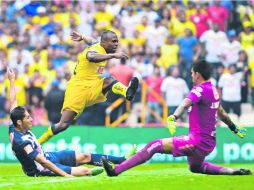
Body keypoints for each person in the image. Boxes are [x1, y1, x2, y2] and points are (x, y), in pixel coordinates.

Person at [102, 60, 251, 176]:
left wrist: (174, 116)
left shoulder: (199, 89)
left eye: (192, 73)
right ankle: (231, 171)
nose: (191, 76)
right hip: (208, 142)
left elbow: (186, 102)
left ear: (197, 74)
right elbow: (222, 112)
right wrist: (233, 127)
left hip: (196, 142)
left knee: (154, 145)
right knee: (195, 167)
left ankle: (115, 171)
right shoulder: (213, 90)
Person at [6, 68, 136, 177]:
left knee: (84, 156)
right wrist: (66, 175)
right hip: (41, 168)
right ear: (19, 122)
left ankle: (121, 160)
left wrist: (11, 80)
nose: (31, 119)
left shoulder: (14, 124)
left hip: (48, 156)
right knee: (85, 171)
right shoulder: (22, 142)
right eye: (28, 117)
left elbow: (13, 103)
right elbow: (43, 163)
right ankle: (98, 172)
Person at [38, 30, 139, 144]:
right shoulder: (94, 50)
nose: (116, 44)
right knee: (63, 124)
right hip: (78, 89)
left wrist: (82, 36)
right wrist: (113, 55)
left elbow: (92, 40)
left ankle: (128, 93)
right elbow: (91, 56)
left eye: (117, 41)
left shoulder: (99, 45)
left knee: (109, 80)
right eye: (113, 41)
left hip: (93, 85)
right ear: (104, 42)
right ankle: (37, 143)